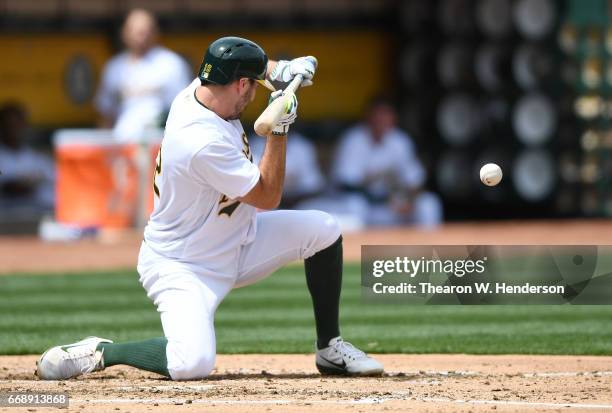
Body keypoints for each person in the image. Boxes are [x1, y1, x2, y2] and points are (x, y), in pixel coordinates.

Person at [36, 36, 383, 380]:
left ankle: (329, 348)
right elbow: (267, 196)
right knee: (191, 363)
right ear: (240, 84)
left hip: (238, 241)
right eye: (252, 87)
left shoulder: (203, 86)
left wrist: (286, 69)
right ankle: (103, 351)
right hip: (185, 264)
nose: (253, 95)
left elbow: (259, 67)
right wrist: (279, 131)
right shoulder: (201, 140)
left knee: (323, 229)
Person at [332, 97, 443, 227]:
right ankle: (354, 247)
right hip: (365, 206)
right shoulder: (353, 140)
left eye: (386, 114)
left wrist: (408, 200)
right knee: (354, 204)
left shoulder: (400, 141)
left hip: (391, 206)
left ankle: (428, 245)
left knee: (429, 203)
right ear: (368, 116)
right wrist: (386, 200)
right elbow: (348, 186)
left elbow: (416, 182)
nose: (381, 119)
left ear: (394, 118)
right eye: (378, 114)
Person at [95, 9, 192, 141]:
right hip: (123, 143)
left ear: (155, 32)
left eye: (146, 30)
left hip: (161, 145)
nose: (141, 36)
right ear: (124, 33)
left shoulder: (172, 64)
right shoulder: (114, 67)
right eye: (136, 31)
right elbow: (105, 113)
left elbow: (185, 110)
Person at [0, 103, 54, 212]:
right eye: (9, 124)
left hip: (35, 218)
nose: (13, 129)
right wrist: (14, 186)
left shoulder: (38, 160)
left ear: (25, 125)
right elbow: (9, 188)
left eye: (17, 123)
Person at [249, 131, 325, 209]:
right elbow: (252, 189)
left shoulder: (302, 145)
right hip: (263, 205)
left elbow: (313, 187)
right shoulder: (255, 144)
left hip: (298, 203)